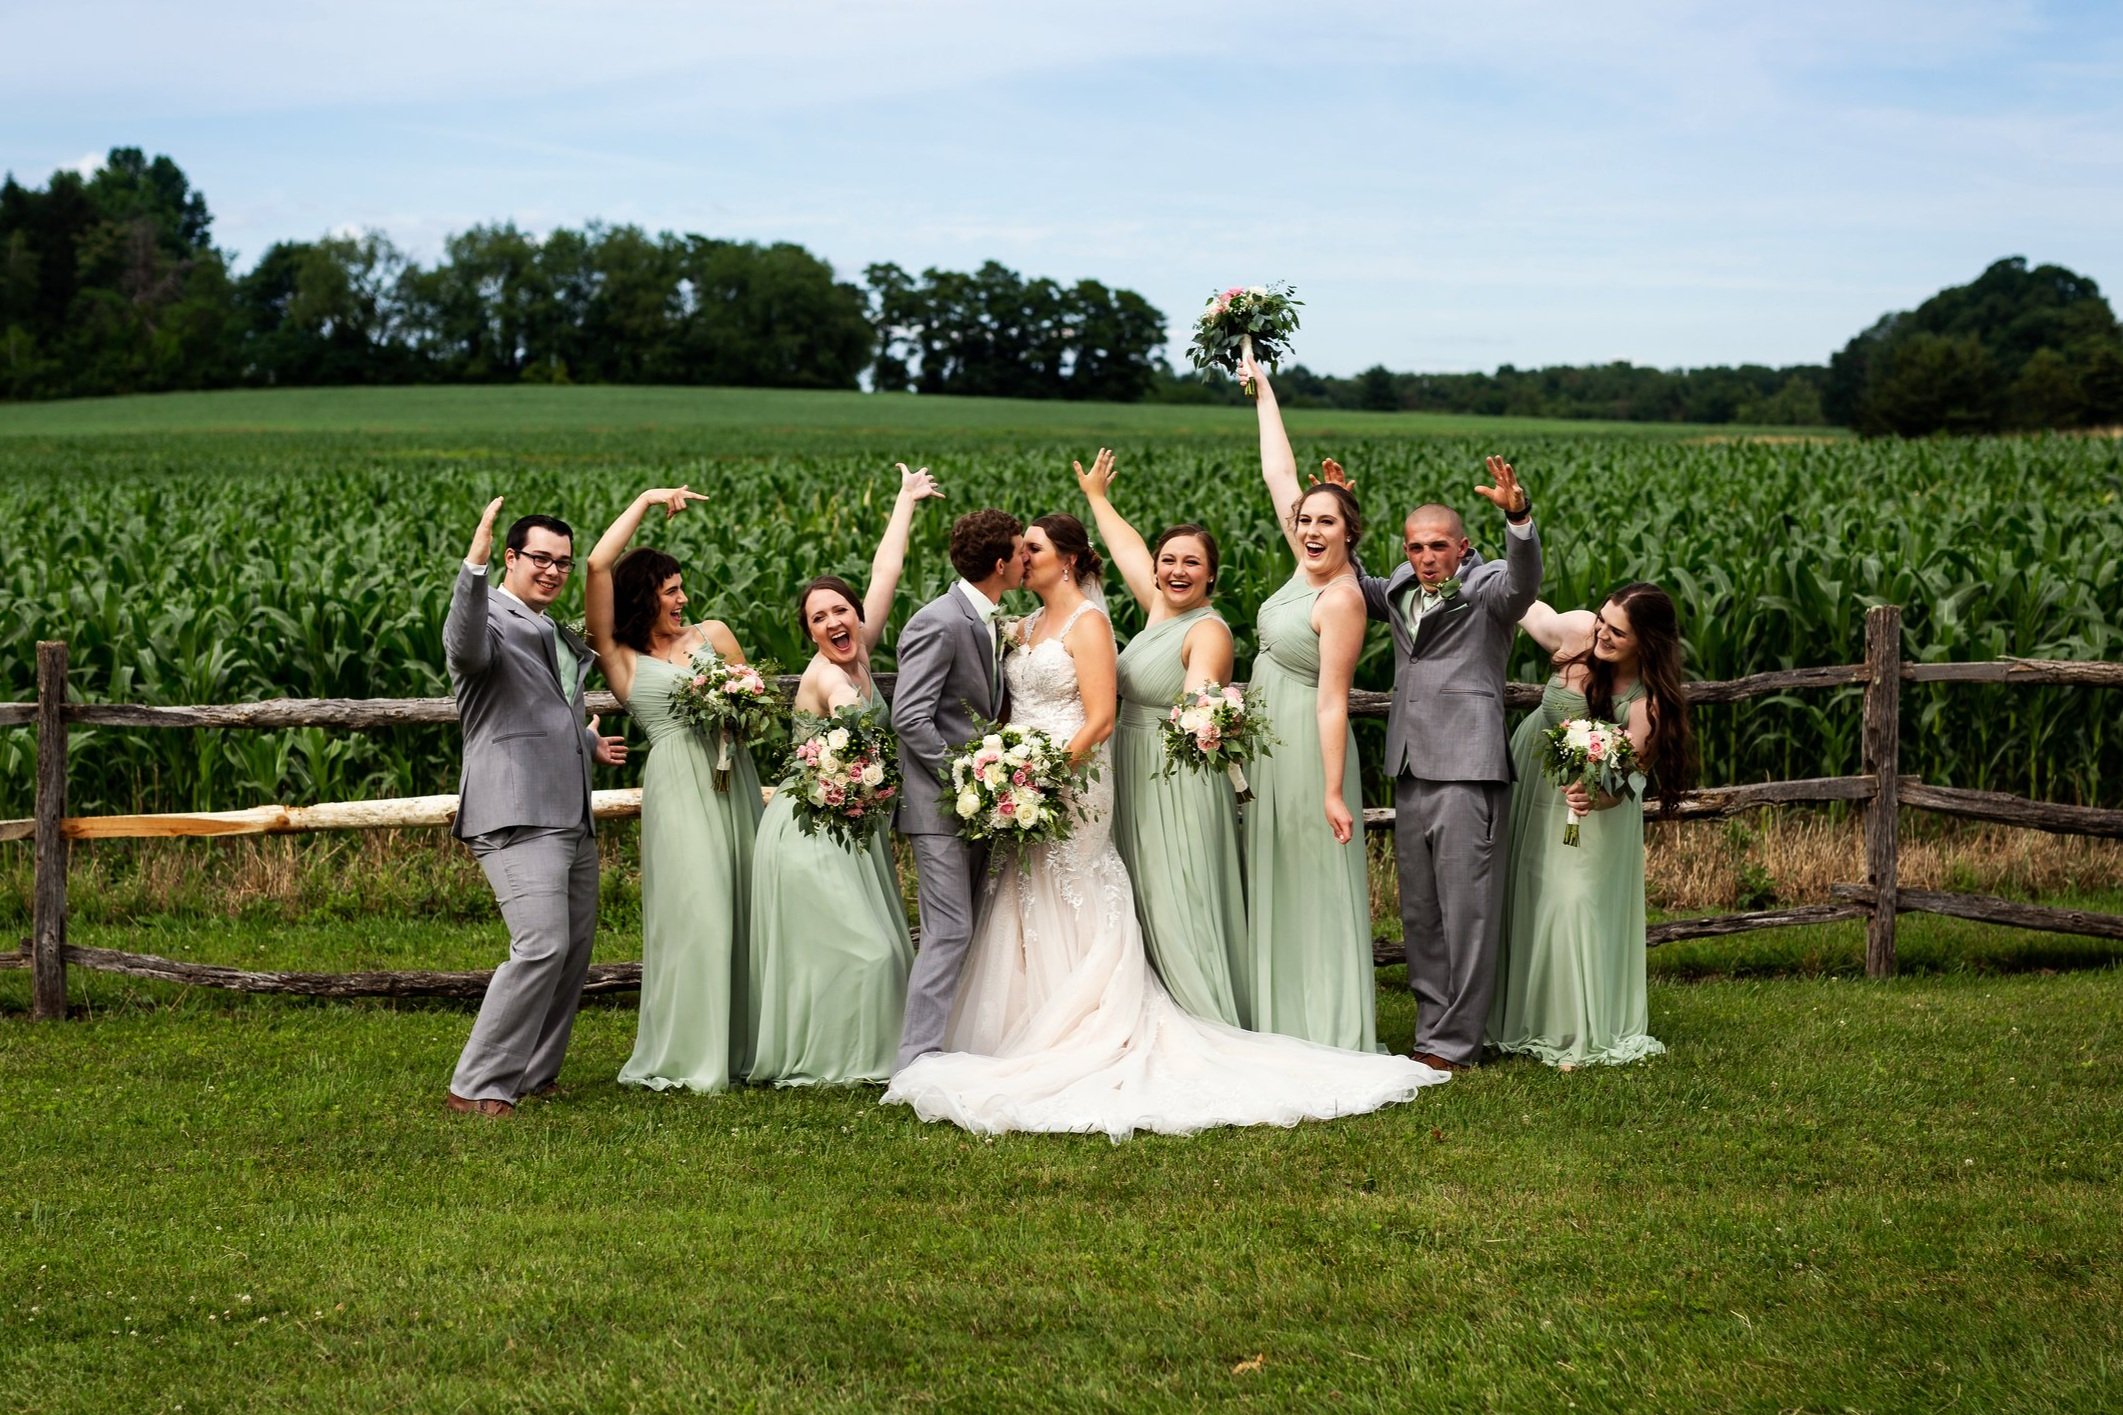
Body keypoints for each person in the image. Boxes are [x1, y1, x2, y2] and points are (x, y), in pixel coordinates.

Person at [881, 514, 1448, 1138]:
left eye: (1033, 549)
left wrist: (1038, 777)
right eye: (1020, 551)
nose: (1022, 559)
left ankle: (1089, 1023)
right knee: (1022, 893)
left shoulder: (1091, 624)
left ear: (1066, 560)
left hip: (1068, 780)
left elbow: (1099, 716)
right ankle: (1019, 1024)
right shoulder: (1021, 627)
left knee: (1076, 885)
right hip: (1030, 783)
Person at [747, 463, 943, 1086]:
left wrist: (905, 500)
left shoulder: (861, 648)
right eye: (817, 619)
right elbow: (848, 720)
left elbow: (886, 570)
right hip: (808, 829)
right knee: (869, 950)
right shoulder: (831, 677)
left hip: (850, 828)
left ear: (856, 616)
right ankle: (841, 1061)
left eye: (840, 611)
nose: (833, 622)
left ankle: (871, 1057)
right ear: (807, 632)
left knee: (855, 947)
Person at [1350, 441, 1541, 1074]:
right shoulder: (1401, 587)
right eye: (1415, 546)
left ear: (1461, 546)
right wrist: (1342, 514)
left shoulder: (1487, 587)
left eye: (1438, 545)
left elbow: (1522, 586)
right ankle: (1432, 1032)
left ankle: (1459, 1044)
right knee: (1422, 914)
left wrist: (1519, 522)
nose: (1426, 556)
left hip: (1467, 769)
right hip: (1409, 768)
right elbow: (1351, 585)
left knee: (1469, 915)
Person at [443, 498, 627, 1118]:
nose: (552, 571)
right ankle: (476, 1085)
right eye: (540, 559)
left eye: (563, 563)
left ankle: (534, 1073)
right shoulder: (489, 616)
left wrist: (588, 740)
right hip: (516, 814)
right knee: (541, 944)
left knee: (572, 950)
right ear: (512, 559)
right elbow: (464, 649)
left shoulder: (546, 626)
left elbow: (537, 707)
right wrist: (474, 566)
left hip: (569, 810)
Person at [585, 484, 765, 1094]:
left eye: (683, 588)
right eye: (671, 590)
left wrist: (738, 706)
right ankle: (693, 1051)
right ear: (645, 597)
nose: (684, 599)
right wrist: (642, 499)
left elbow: (757, 704)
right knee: (697, 910)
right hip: (677, 787)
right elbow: (596, 564)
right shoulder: (621, 657)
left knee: (742, 902)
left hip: (730, 776)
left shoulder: (713, 634)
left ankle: (744, 1048)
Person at [1072, 448, 1248, 1026]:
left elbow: (1198, 704)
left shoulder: (1207, 631)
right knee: (1145, 891)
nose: (1176, 570)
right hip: (1136, 765)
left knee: (1180, 893)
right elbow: (1127, 549)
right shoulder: (1160, 613)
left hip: (1179, 777)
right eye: (1168, 560)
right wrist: (1098, 498)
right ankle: (1155, 1009)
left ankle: (1204, 1016)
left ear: (1211, 575)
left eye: (1191, 563)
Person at [1237, 355, 1383, 1049]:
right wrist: (1264, 389)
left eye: (1327, 521)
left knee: (1310, 872)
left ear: (1349, 532)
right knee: (1277, 869)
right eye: (1304, 520)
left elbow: (1333, 701)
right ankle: (1278, 1015)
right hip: (1269, 740)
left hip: (1308, 747)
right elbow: (1278, 474)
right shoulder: (1302, 565)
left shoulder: (1342, 596)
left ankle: (1323, 1023)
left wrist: (1331, 790)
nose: (1311, 528)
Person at [1488, 583, 1694, 1067]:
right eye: (1602, 619)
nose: (1602, 633)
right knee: (1528, 895)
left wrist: (1590, 796)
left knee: (1572, 903)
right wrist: (1487, 572)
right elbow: (1527, 609)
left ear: (1646, 642)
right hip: (1531, 784)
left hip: (1592, 811)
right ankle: (1519, 1019)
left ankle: (1574, 1031)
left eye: (1617, 631)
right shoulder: (1581, 632)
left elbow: (1623, 783)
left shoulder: (1648, 706)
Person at [892, 507, 1027, 1072]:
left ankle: (950, 1041)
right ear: (1000, 563)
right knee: (950, 930)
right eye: (1022, 552)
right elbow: (910, 715)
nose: (1027, 559)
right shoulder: (939, 621)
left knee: (968, 924)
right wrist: (965, 775)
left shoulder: (985, 617)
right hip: (939, 805)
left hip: (973, 806)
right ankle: (914, 1058)